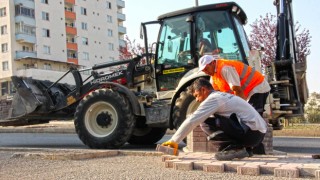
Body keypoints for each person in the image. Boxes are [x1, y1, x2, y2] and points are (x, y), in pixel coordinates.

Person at [162, 78, 267, 160]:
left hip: (251, 134)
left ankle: (233, 149)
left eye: (197, 95)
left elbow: (193, 119)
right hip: (257, 134)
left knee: (204, 121)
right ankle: (245, 149)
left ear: (203, 90)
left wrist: (174, 141)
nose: (197, 100)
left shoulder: (214, 99)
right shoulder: (222, 95)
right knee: (215, 118)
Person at [198, 55, 270, 116]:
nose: (206, 72)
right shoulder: (214, 76)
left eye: (206, 69)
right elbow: (216, 95)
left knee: (252, 116)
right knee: (248, 115)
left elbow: (237, 90)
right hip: (249, 91)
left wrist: (239, 108)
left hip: (258, 87)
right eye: (204, 71)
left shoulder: (225, 68)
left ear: (213, 63)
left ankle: (258, 131)